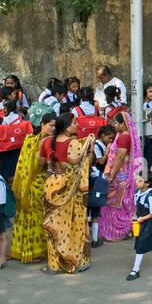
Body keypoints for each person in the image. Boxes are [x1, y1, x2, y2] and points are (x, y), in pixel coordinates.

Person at [42, 113, 95, 274]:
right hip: (68, 190)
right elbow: (84, 164)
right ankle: (73, 261)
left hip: (50, 186)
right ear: (66, 127)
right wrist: (90, 149)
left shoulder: (45, 142)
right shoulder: (73, 145)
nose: (77, 125)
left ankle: (53, 264)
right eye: (74, 123)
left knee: (52, 226)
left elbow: (41, 163)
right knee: (71, 225)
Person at [10, 113, 53, 264]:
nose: (53, 129)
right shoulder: (30, 141)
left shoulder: (45, 142)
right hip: (28, 184)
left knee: (37, 217)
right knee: (26, 216)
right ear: (43, 125)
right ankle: (24, 249)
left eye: (55, 126)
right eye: (51, 125)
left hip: (39, 184)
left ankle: (37, 251)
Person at [98, 106, 137, 243]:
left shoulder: (123, 138)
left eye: (116, 123)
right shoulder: (125, 136)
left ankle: (119, 230)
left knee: (115, 204)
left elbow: (119, 159)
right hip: (124, 174)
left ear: (122, 124)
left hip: (119, 176)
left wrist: (111, 175)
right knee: (122, 203)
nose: (114, 125)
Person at [89, 125, 116, 246]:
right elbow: (100, 161)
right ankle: (95, 239)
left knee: (88, 216)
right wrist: (107, 152)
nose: (110, 141)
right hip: (96, 192)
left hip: (89, 193)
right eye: (109, 138)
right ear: (102, 136)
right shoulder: (97, 146)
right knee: (95, 216)